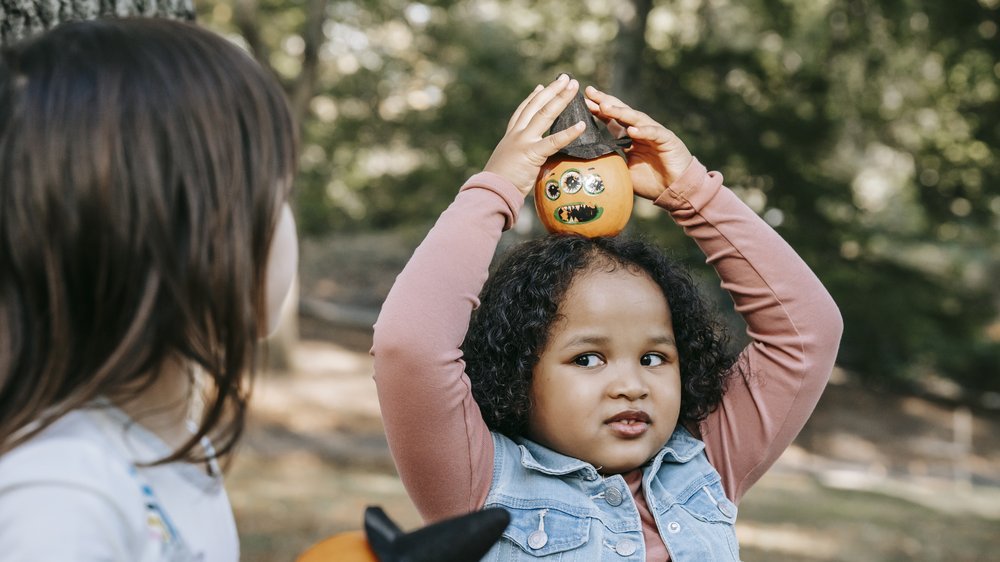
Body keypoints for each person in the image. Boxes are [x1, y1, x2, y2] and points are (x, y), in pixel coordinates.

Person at [371, 74, 843, 560]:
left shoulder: (709, 462)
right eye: (589, 359)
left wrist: (693, 193)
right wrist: (496, 190)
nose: (631, 385)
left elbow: (807, 332)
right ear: (518, 372)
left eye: (655, 357)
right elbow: (410, 347)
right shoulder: (477, 483)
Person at [0, 18, 299, 561]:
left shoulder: (179, 444)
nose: (288, 224)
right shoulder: (60, 498)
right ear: (184, 231)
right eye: (279, 195)